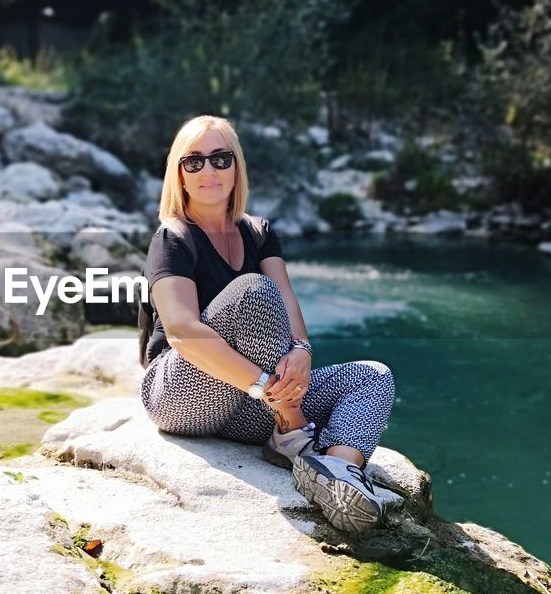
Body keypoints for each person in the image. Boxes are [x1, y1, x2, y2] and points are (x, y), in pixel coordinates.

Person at [140, 114, 401, 532]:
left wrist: (301, 350)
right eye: (194, 162)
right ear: (179, 174)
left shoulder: (258, 232)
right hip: (182, 397)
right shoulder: (172, 237)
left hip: (251, 407)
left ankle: (337, 474)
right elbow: (183, 333)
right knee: (254, 292)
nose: (208, 170)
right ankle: (293, 435)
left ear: (237, 166)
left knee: (372, 377)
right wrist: (274, 392)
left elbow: (289, 301)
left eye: (220, 159)